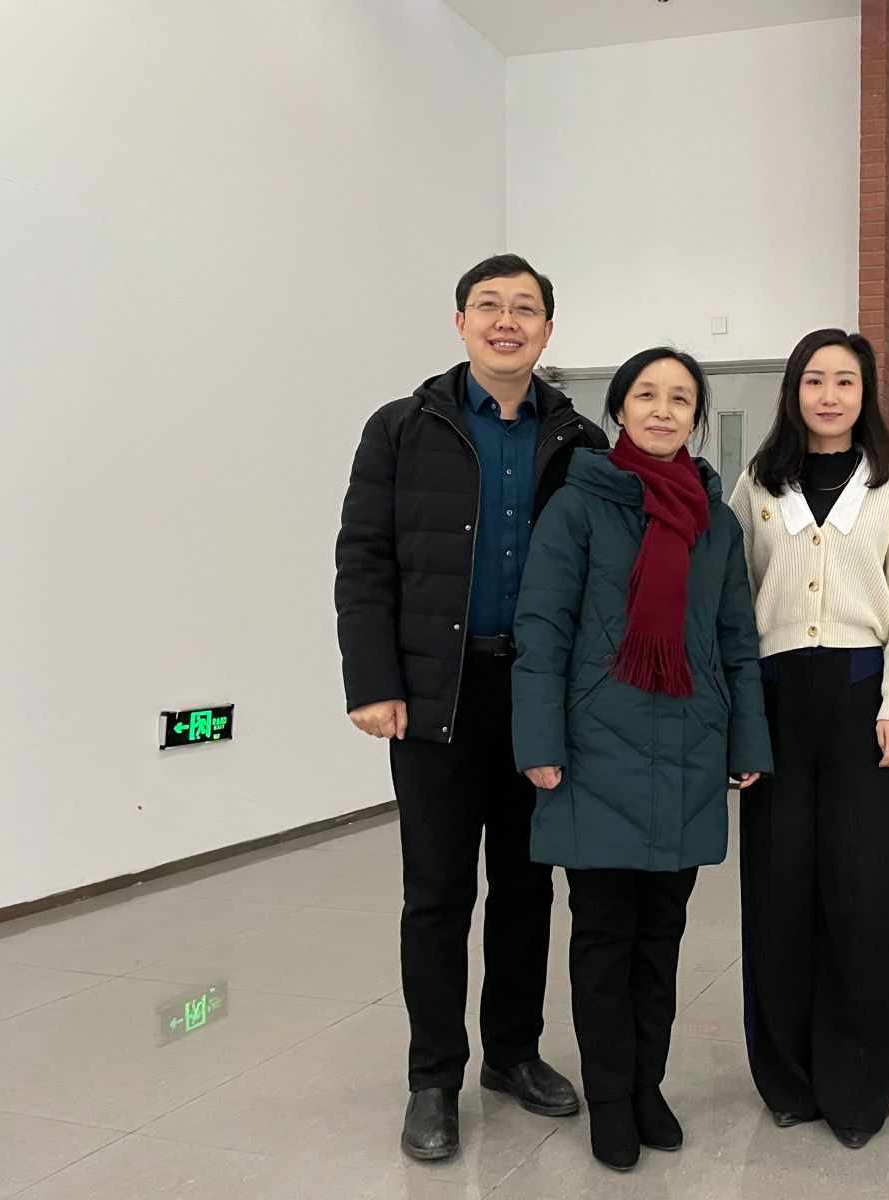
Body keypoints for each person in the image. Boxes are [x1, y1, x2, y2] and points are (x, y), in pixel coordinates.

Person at [335, 254, 604, 1161]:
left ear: (548, 330)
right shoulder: (401, 429)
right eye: (489, 305)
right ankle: (433, 1079)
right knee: (437, 895)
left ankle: (514, 1054)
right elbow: (363, 560)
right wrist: (373, 681)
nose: (506, 321)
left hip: (538, 697)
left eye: (525, 308)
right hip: (434, 697)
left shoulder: (580, 440)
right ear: (460, 322)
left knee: (528, 888)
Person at [512, 346, 772, 1172]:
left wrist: (748, 740)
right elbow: (542, 629)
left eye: (681, 399)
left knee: (661, 936)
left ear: (697, 417)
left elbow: (736, 641)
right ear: (619, 408)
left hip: (690, 748)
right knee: (603, 937)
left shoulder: (715, 521)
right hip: (595, 749)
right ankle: (610, 1100)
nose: (663, 410)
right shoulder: (577, 506)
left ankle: (648, 1086)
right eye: (647, 395)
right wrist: (538, 743)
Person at [729, 328, 889, 1148]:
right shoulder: (758, 483)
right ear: (793, 390)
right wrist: (740, 720)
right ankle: (786, 1076)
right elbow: (734, 603)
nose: (828, 395)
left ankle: (858, 1084)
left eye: (845, 380)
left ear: (864, 392)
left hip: (859, 702)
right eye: (814, 379)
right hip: (776, 703)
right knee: (777, 889)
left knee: (860, 891)